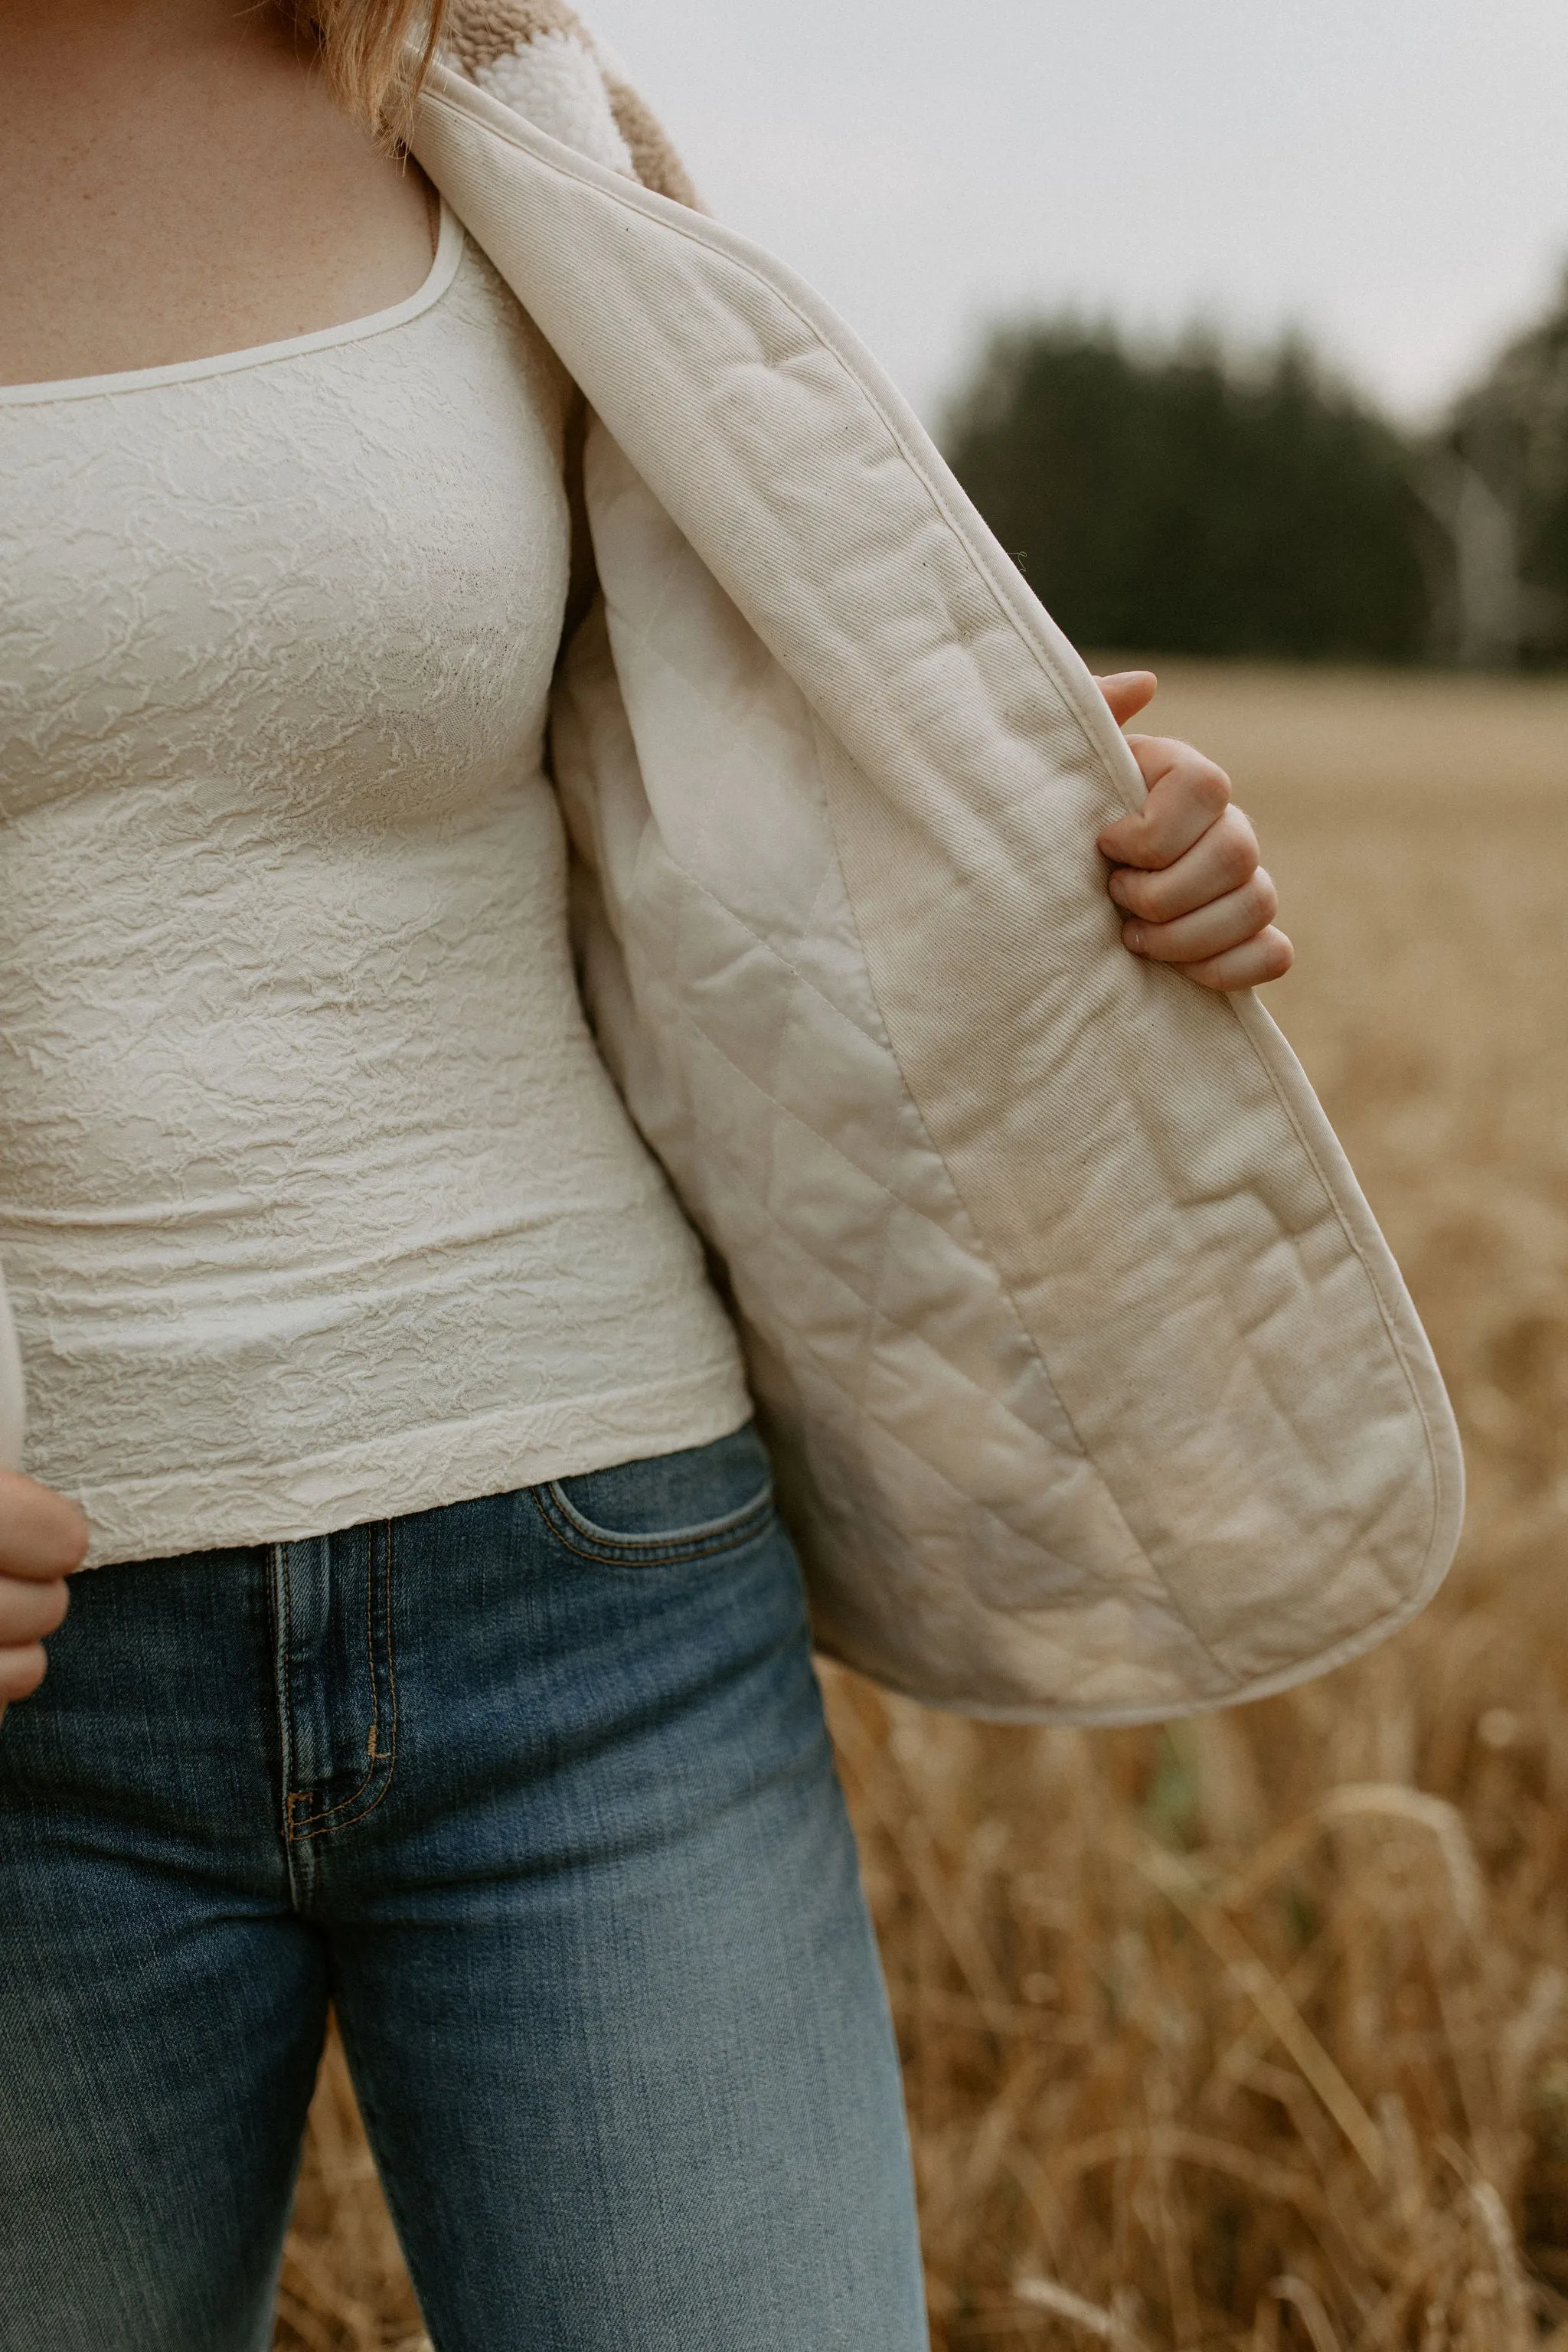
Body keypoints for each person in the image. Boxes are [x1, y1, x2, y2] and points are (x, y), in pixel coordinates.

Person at [2, 3, 1459, 2347]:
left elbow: (782, 750)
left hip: (598, 1598)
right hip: (35, 1699)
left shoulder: (481, 98)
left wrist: (1119, 865)